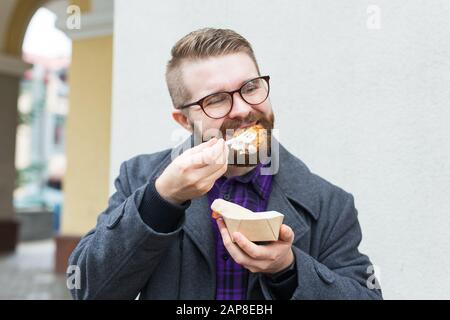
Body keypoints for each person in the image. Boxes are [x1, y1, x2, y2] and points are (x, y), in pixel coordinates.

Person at [68, 28, 382, 300]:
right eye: (217, 99)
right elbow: (88, 289)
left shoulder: (330, 203)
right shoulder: (139, 178)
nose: (243, 109)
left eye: (251, 87)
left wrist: (288, 269)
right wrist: (161, 200)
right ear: (184, 120)